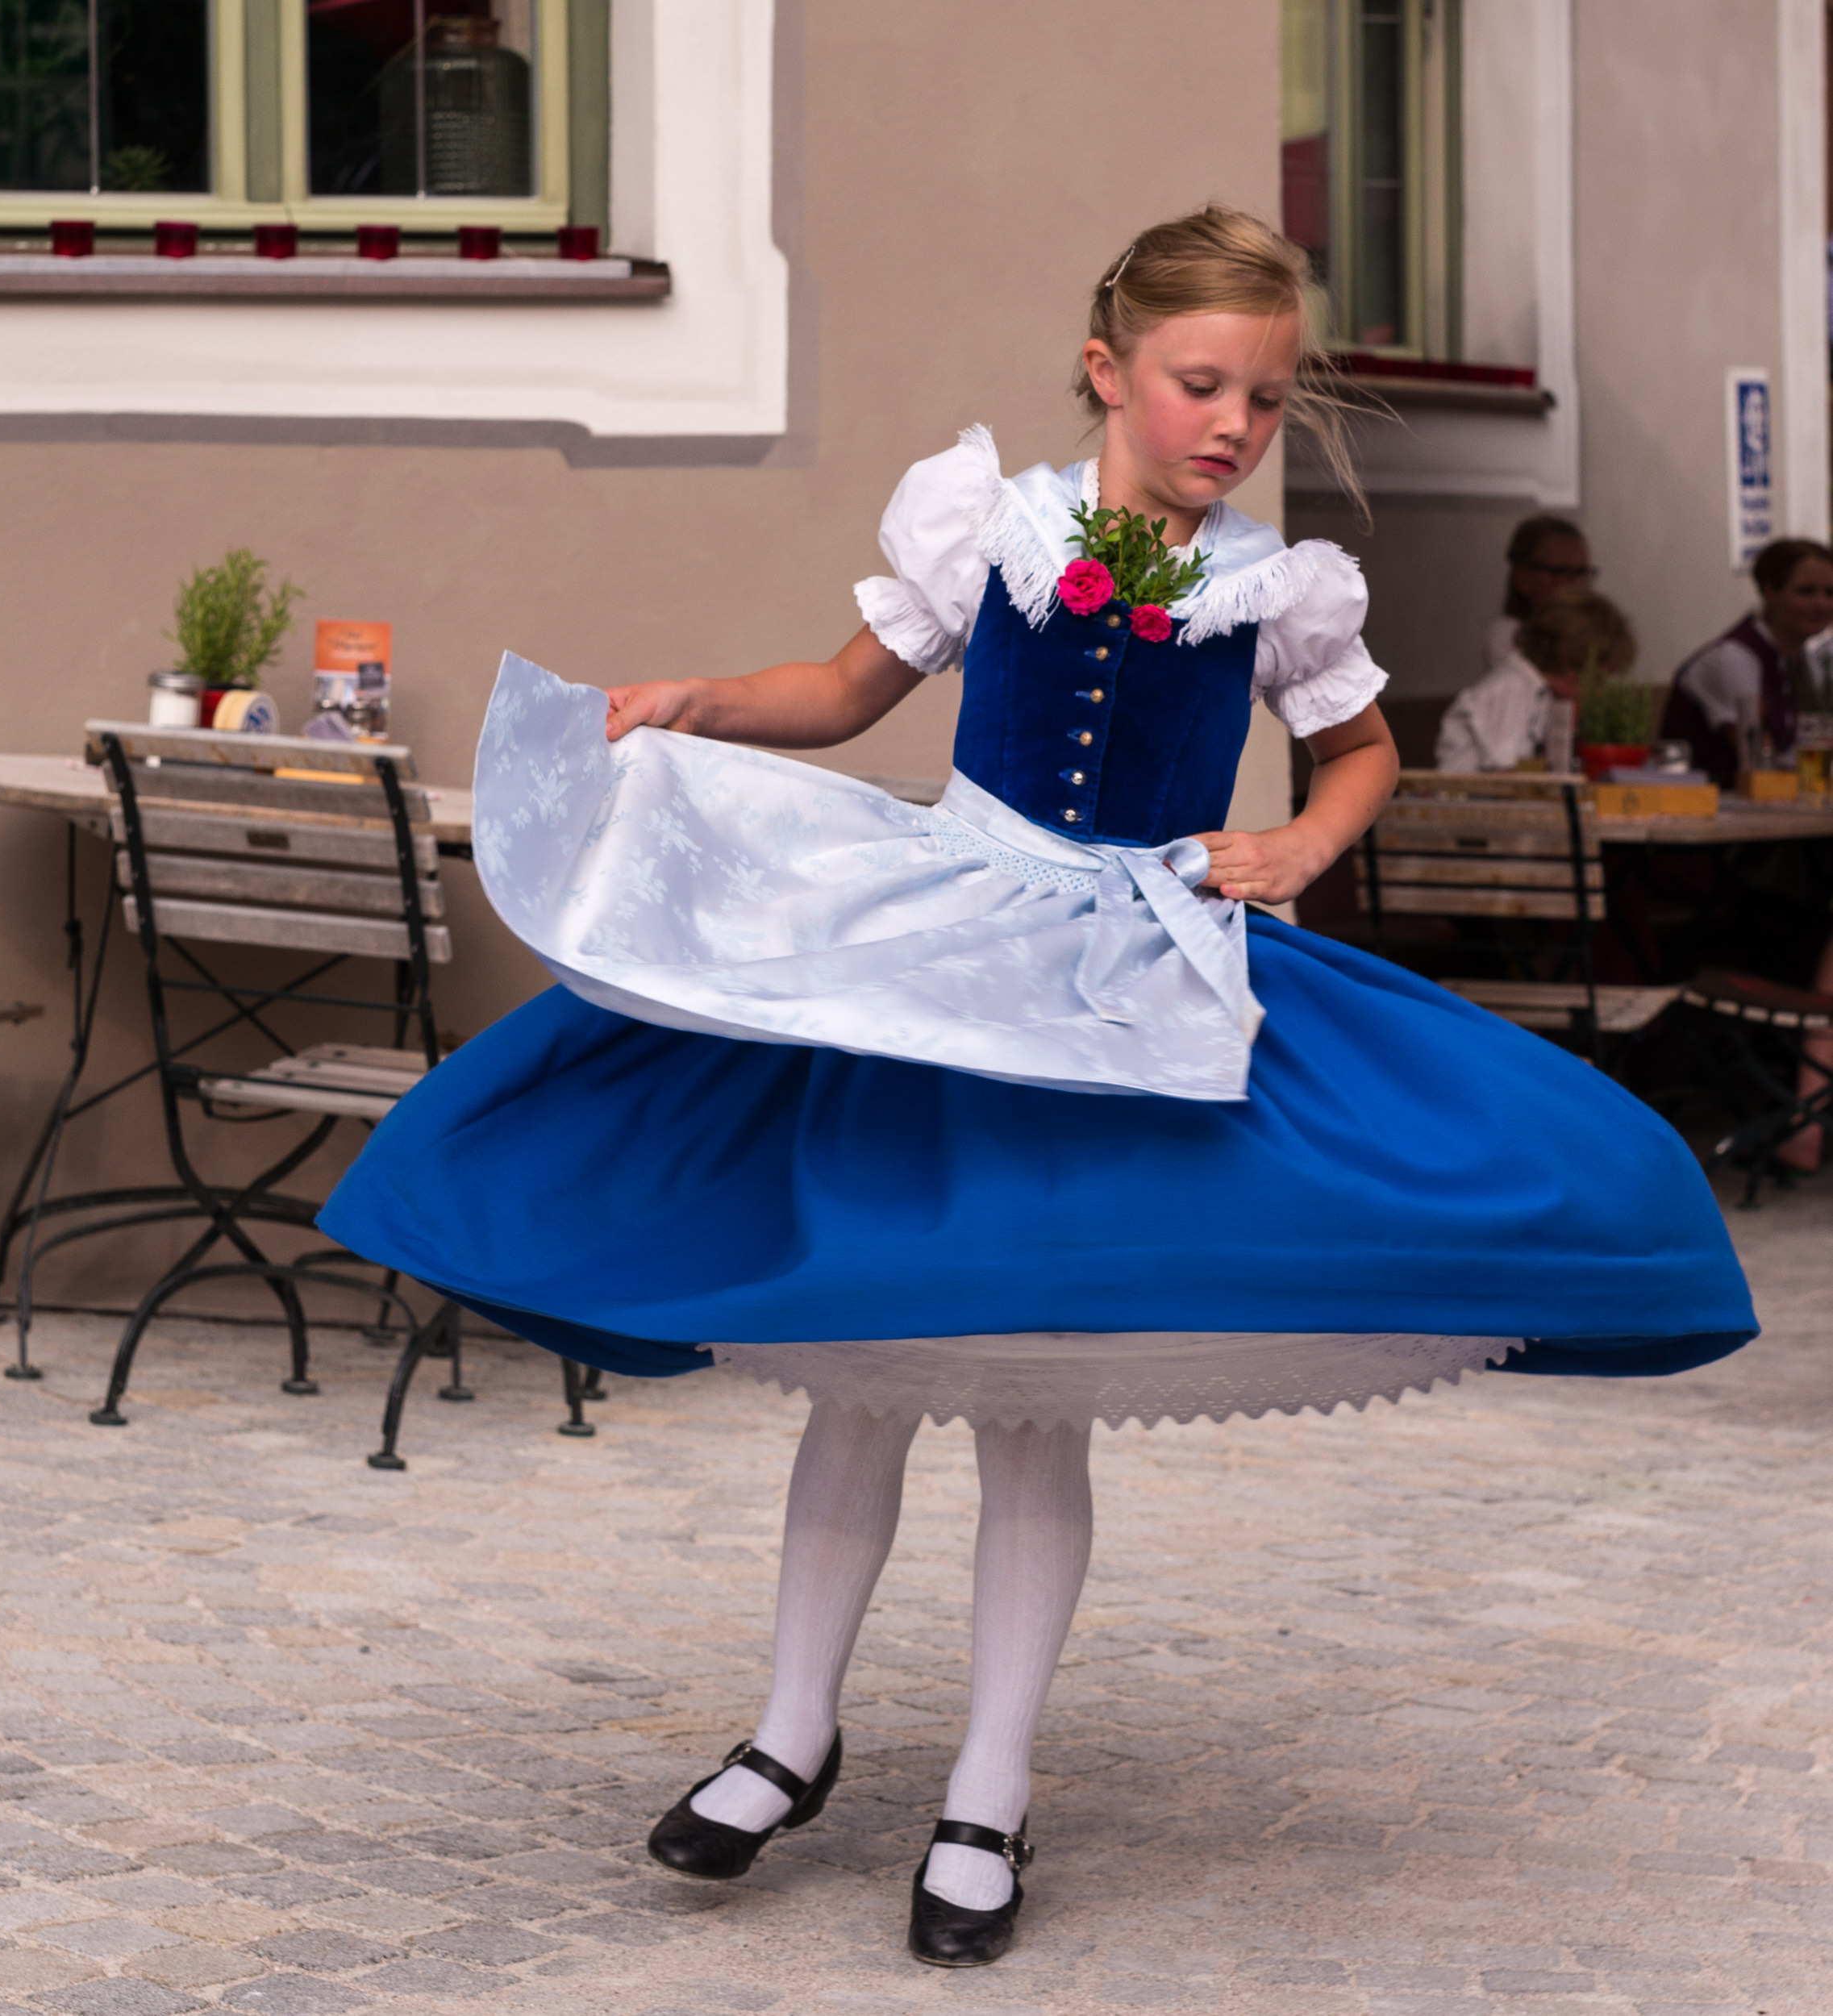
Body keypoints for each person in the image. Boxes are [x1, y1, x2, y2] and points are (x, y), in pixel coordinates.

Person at [319, 207, 1755, 1970]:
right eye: (1199, 383)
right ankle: (788, 1734)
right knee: (861, 1366)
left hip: (1123, 978)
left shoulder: (1273, 589)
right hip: (941, 950)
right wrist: (704, 699)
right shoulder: (988, 525)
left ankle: (987, 1791)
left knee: (1030, 1394)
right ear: (1108, 369)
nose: (1232, 423)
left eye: (1264, 398)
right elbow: (845, 688)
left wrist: (1297, 847)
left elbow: (1360, 750)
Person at [1660, 538, 1833, 785]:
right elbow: (1758, 760)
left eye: (1830, 593)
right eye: (1806, 591)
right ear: (1769, 591)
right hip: (1703, 799)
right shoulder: (1733, 658)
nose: (1822, 604)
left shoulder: (1805, 660)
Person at [1437, 589, 1637, 772]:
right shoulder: (1511, 688)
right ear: (1569, 660)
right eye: (1597, 679)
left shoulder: (1539, 693)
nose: (1598, 691)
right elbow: (1507, 773)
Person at [1481, 514, 1596, 673]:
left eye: (1581, 571)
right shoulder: (1508, 635)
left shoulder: (1593, 633)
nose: (1574, 582)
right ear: (1523, 579)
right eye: (1559, 571)